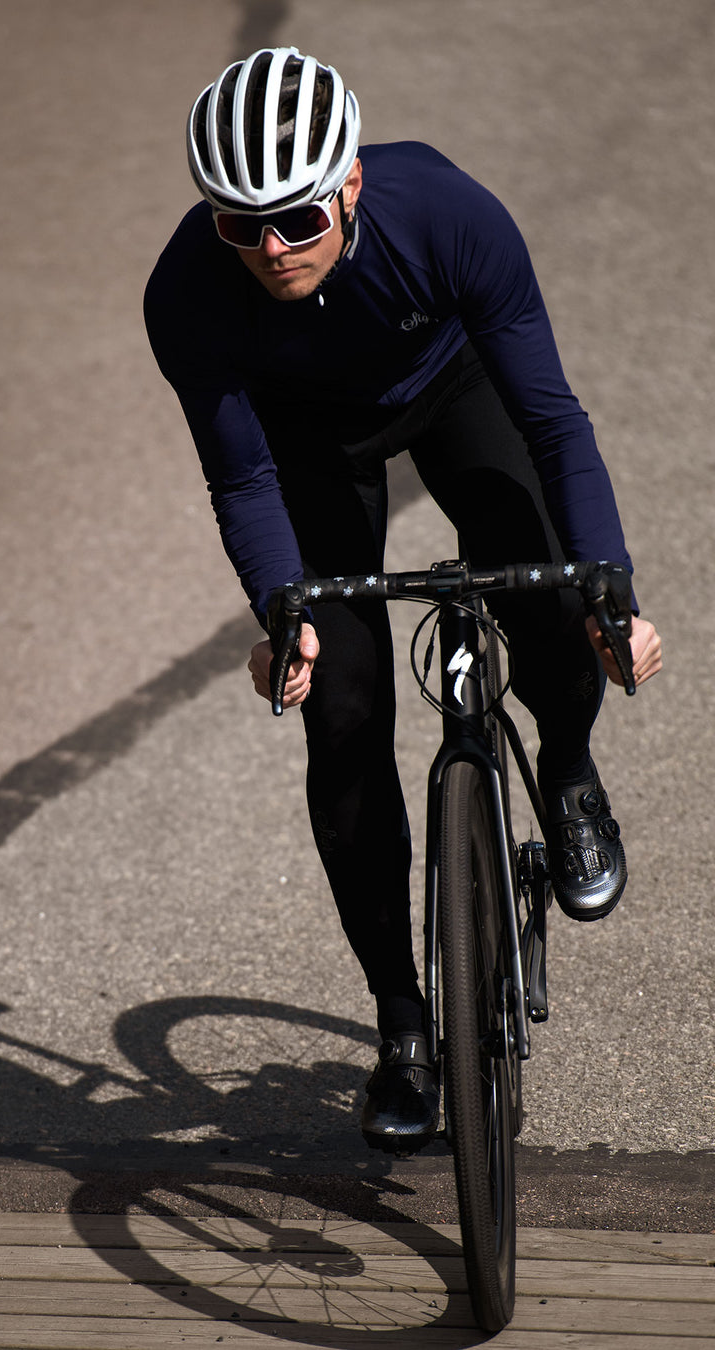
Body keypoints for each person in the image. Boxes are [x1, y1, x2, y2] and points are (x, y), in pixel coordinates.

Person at [143, 47, 662, 1149]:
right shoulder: (186, 295)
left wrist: (609, 582)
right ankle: (401, 1028)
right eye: (242, 226)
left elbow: (557, 424)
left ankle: (566, 775)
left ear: (350, 187)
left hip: (453, 390)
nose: (272, 250)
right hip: (310, 445)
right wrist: (283, 612)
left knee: (557, 608)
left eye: (295, 218)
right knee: (339, 720)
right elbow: (242, 478)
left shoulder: (449, 214)